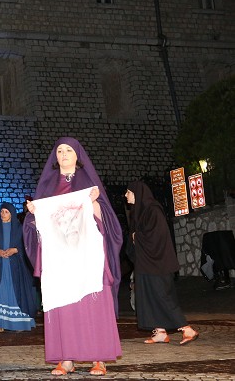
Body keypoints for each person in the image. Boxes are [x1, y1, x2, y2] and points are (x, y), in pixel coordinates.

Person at [23, 137, 122, 376]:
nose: (64, 154)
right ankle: (66, 359)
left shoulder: (89, 183)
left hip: (87, 256)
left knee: (93, 305)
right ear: (55, 157)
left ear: (78, 155)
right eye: (60, 151)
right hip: (60, 259)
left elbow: (106, 218)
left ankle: (99, 358)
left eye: (68, 150)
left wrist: (93, 204)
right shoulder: (47, 186)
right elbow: (35, 224)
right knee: (64, 306)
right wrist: (33, 214)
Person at [125, 180, 198, 345]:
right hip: (145, 263)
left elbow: (157, 236)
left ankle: (187, 329)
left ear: (137, 193)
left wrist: (138, 237)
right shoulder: (138, 212)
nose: (125, 195)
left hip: (158, 263)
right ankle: (160, 332)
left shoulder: (153, 210)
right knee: (149, 297)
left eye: (128, 192)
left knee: (163, 296)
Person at [0, 202, 37, 333]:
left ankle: (20, 323)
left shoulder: (20, 229)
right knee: (0, 293)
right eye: (1, 212)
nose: (3, 214)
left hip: (16, 268)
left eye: (6, 212)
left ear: (12, 214)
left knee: (15, 292)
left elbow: (29, 245)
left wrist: (16, 250)